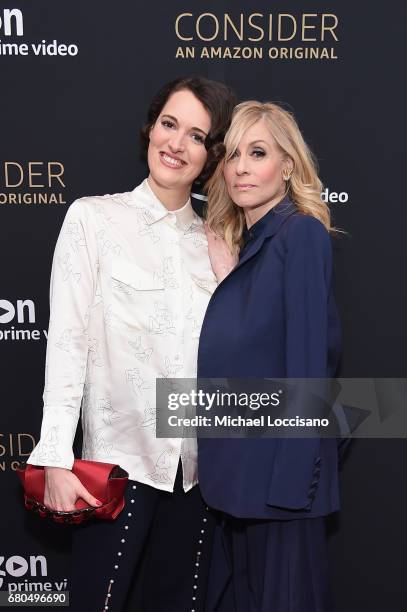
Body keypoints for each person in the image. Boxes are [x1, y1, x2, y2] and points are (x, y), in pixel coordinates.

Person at [26, 76, 236, 612]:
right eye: (169, 124)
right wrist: (55, 456)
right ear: (149, 129)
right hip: (118, 469)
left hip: (197, 478)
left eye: (195, 135)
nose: (176, 144)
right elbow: (67, 342)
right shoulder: (94, 219)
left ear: (210, 156)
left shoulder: (218, 241)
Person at [198, 101, 342, 612]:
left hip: (280, 494)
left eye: (257, 153)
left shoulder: (299, 234)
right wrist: (227, 279)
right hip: (239, 489)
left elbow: (308, 366)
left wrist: (288, 489)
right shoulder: (255, 243)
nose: (240, 167)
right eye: (232, 154)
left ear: (286, 165)